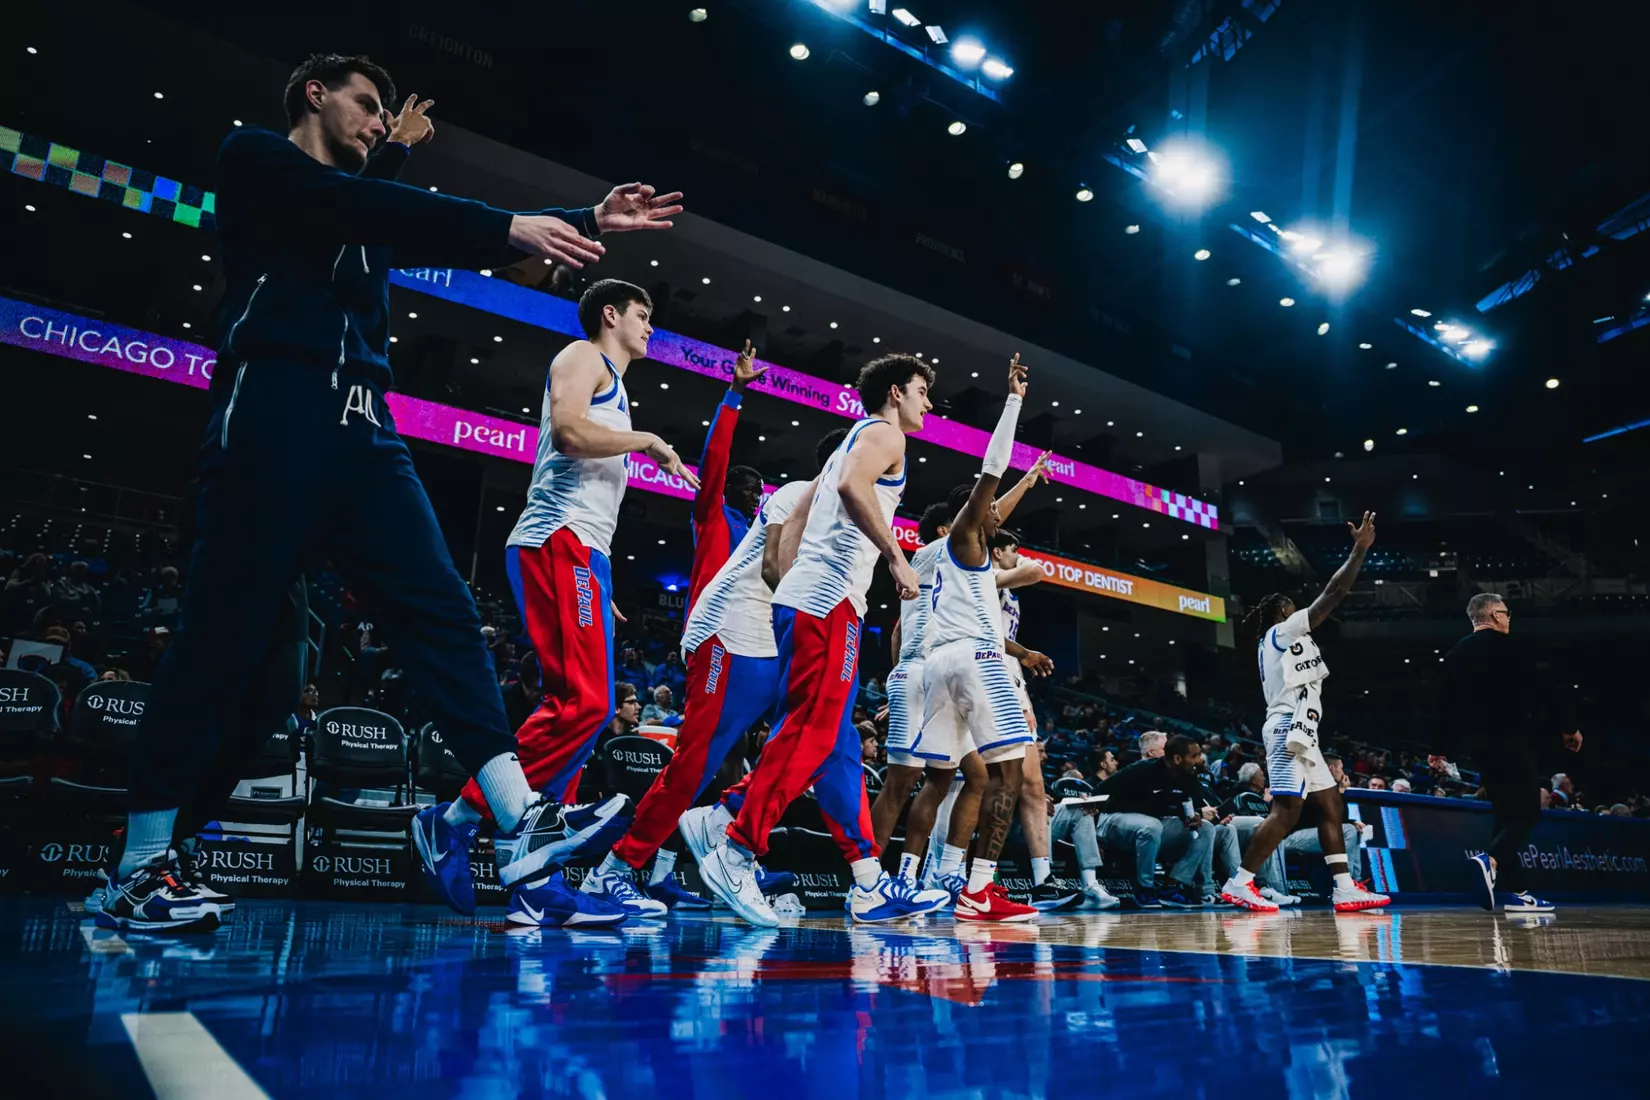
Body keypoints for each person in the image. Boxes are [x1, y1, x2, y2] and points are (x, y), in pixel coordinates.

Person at [93, 52, 682, 934]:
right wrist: (496, 213)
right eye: (365, 105)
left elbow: (381, 218)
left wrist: (584, 218)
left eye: (382, 114)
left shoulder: (356, 214)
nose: (378, 119)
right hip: (275, 415)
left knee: (444, 614)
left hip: (366, 430)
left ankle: (522, 822)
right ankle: (140, 865)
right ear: (313, 94)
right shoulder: (255, 158)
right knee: (240, 667)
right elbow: (349, 205)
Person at [695, 354, 939, 927]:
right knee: (809, 735)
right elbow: (855, 487)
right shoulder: (884, 436)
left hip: (807, 599)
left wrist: (794, 583)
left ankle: (867, 882)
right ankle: (734, 849)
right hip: (829, 605)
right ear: (897, 392)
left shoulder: (847, 443)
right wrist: (895, 558)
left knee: (835, 749)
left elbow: (795, 526)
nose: (929, 404)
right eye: (924, 391)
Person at [579, 350, 781, 914]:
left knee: (762, 752)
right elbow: (715, 462)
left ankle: (702, 849)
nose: (755, 494)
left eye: (759, 489)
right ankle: (615, 867)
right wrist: (734, 395)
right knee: (692, 765)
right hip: (718, 639)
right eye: (748, 487)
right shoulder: (714, 515)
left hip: (759, 648)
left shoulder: (768, 530)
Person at [870, 454, 1048, 893]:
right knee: (904, 781)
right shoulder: (937, 551)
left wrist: (1026, 482)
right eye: (974, 516)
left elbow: (898, 631)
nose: (988, 520)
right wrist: (900, 680)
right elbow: (987, 512)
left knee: (967, 776)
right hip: (925, 673)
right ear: (944, 529)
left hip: (932, 670)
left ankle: (941, 871)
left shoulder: (944, 565)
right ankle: (872, 879)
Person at [911, 355, 1040, 922]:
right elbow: (991, 472)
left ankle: (913, 880)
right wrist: (1012, 401)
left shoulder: (970, 555)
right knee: (1010, 773)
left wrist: (1028, 484)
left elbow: (997, 503)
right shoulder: (965, 539)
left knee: (945, 779)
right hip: (977, 662)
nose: (998, 518)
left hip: (940, 663)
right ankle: (978, 890)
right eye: (993, 511)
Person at [1219, 512, 1390, 915]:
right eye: (1295, 607)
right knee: (1287, 809)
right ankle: (1240, 883)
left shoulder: (1282, 640)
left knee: (1331, 805)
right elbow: (1333, 593)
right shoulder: (1281, 632)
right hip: (1284, 729)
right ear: (1284, 611)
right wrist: (1359, 550)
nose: (1303, 613)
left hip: (1302, 730)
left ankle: (1345, 888)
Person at [1430, 593, 1556, 913]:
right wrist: (1568, 727)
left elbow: (1443, 706)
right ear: (1496, 615)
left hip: (1479, 747)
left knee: (1505, 814)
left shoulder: (1456, 653)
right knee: (1527, 812)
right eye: (1507, 613)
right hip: (1513, 740)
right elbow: (1542, 689)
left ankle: (1518, 892)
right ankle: (1491, 860)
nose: (1509, 619)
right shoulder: (1512, 646)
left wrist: (1438, 750)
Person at [1094, 734, 1214, 908]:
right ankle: (1145, 889)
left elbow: (1186, 803)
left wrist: (1192, 816)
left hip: (1150, 825)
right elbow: (1098, 791)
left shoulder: (1188, 775)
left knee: (1206, 829)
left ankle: (1172, 887)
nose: (1199, 760)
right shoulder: (1142, 769)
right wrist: (1094, 837)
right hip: (1112, 821)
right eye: (1194, 756)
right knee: (1152, 825)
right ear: (1178, 758)